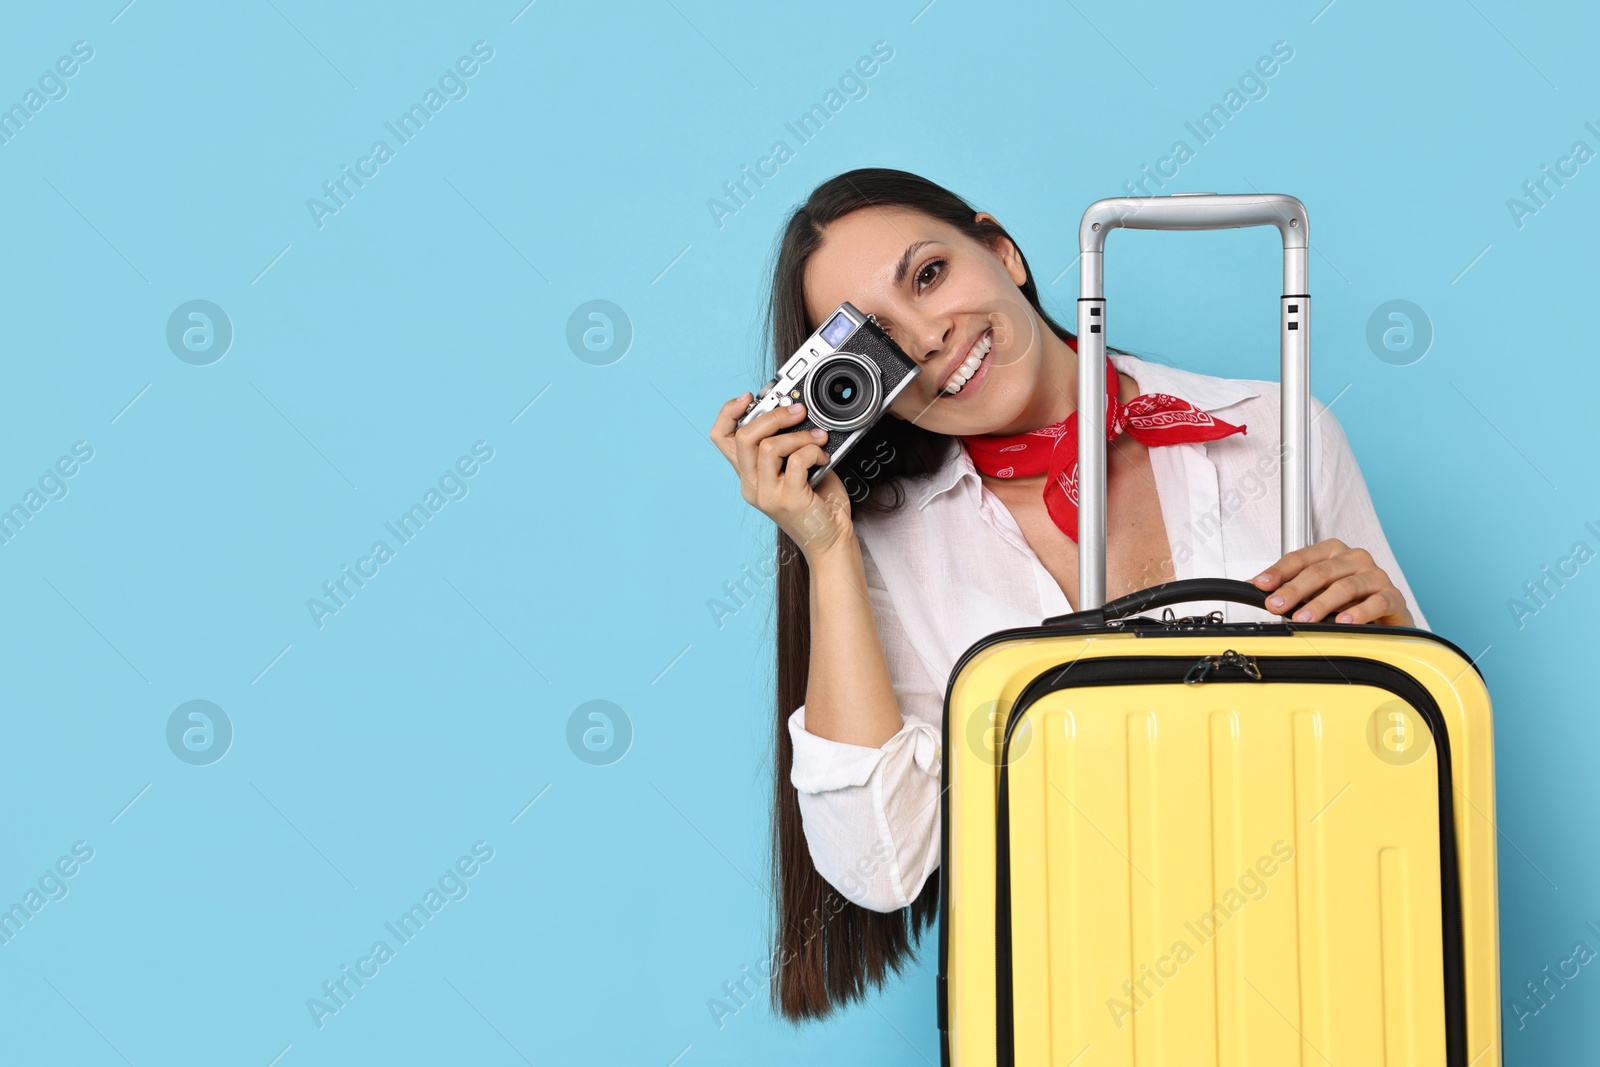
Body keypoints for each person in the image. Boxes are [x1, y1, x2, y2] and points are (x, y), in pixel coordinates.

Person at [707, 168, 1429, 1022]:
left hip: (1324, 974)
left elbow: (1411, 772)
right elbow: (880, 866)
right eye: (881, 342)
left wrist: (1386, 642)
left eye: (928, 274)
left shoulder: (1276, 429)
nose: (930, 338)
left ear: (1002, 248)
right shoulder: (890, 544)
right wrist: (825, 547)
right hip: (1070, 1005)